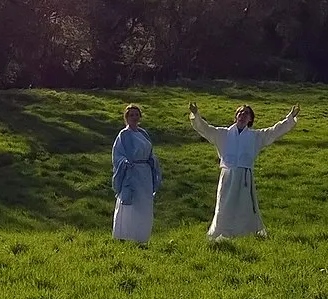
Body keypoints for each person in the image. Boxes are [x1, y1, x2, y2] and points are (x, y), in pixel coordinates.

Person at [189, 101, 299, 240]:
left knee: (245, 207)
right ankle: (221, 233)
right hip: (228, 175)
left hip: (245, 177)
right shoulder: (223, 134)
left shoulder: (255, 136)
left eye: (246, 113)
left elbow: (274, 131)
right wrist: (196, 114)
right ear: (235, 117)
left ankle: (247, 234)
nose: (242, 114)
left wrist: (290, 118)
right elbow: (205, 129)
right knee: (224, 206)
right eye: (239, 112)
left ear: (250, 119)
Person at [110, 103, 163, 243]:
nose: (134, 117)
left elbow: (150, 151)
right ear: (126, 117)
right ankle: (125, 235)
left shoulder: (143, 133)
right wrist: (125, 163)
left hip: (145, 173)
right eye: (131, 115)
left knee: (144, 203)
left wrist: (152, 161)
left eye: (136, 115)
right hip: (131, 173)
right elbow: (117, 155)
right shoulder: (124, 135)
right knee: (130, 204)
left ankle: (141, 237)